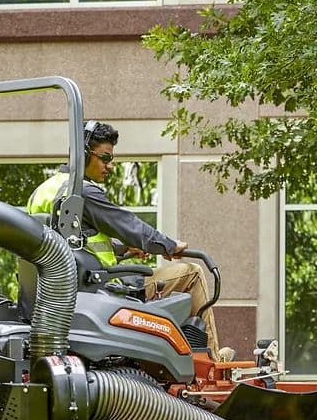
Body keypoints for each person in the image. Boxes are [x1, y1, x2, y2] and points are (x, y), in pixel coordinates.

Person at [26, 120, 230, 359]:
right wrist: (169, 245)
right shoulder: (81, 192)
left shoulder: (43, 191)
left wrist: (124, 249)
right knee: (192, 272)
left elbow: (71, 245)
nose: (110, 166)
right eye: (105, 158)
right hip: (100, 290)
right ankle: (213, 361)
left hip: (60, 293)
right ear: (83, 154)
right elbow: (127, 225)